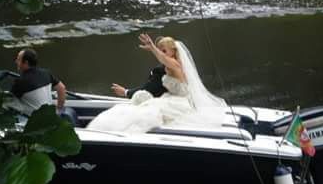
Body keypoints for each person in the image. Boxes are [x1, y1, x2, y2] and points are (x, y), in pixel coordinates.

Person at [86, 34, 232, 133]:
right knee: (145, 107)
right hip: (170, 98)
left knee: (148, 111)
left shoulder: (175, 65)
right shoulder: (169, 65)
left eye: (164, 50)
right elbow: (163, 60)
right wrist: (154, 50)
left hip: (180, 102)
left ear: (173, 52)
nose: (162, 53)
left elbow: (163, 59)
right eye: (161, 50)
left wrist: (153, 48)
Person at [10, 48, 66, 117]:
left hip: (35, 123)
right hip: (51, 117)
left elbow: (10, 101)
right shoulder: (46, 73)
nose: (16, 61)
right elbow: (62, 88)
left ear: (26, 62)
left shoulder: (20, 81)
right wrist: (58, 110)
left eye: (18, 59)